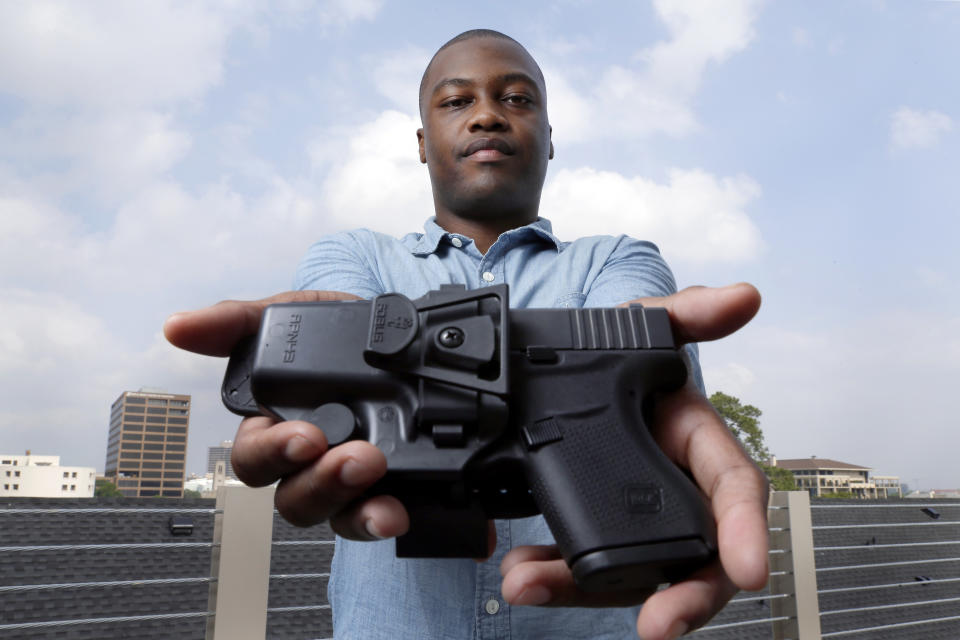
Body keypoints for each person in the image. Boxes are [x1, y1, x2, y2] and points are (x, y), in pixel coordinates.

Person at [165, 29, 768, 640]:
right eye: (457, 102)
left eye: (517, 100)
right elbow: (363, 361)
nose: (487, 115)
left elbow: (627, 373)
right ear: (424, 145)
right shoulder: (353, 255)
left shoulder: (616, 258)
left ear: (551, 140)